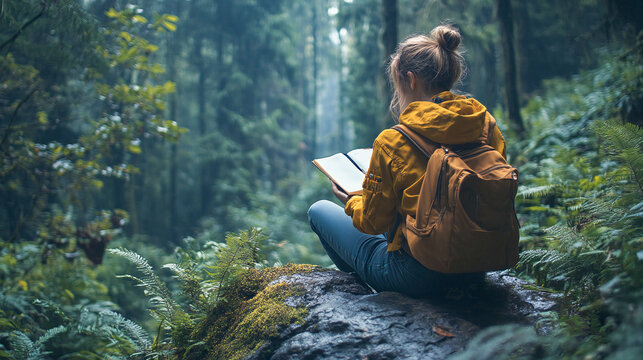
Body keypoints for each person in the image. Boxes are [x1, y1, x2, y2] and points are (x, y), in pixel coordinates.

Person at [307, 24, 508, 298]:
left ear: (411, 80)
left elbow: (373, 223)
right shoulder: (485, 125)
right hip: (477, 266)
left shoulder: (393, 141)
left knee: (318, 211)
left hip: (421, 276)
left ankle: (370, 300)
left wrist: (351, 199)